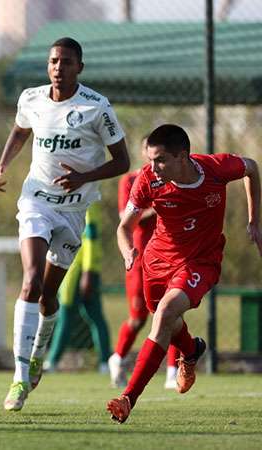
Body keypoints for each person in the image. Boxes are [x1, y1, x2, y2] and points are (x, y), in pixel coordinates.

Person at [0, 36, 129, 411]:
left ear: (79, 68)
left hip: (73, 211)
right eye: (53, 61)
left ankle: (38, 353)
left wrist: (84, 178)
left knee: (50, 297)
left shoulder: (97, 108)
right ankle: (19, 379)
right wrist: (3, 164)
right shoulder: (31, 98)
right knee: (30, 280)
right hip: (36, 201)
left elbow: (123, 161)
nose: (58, 67)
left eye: (66, 62)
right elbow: (20, 130)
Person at [107, 124, 261, 423]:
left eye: (160, 160)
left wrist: (255, 221)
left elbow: (252, 168)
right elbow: (124, 227)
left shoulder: (216, 168)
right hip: (155, 262)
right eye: (150, 160)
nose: (152, 167)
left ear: (183, 156)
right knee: (165, 319)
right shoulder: (147, 181)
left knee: (164, 313)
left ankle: (127, 398)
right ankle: (191, 351)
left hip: (200, 262)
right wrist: (128, 252)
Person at [108, 137, 179, 389]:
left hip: (168, 255)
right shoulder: (130, 181)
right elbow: (124, 219)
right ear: (144, 152)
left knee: (169, 312)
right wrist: (157, 208)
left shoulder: (173, 180)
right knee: (138, 317)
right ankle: (117, 358)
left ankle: (172, 371)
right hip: (139, 257)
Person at [43, 202, 112, 373]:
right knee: (91, 315)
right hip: (73, 268)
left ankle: (52, 362)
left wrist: (88, 272)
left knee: (68, 315)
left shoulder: (87, 201)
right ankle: (105, 362)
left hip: (79, 271)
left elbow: (90, 237)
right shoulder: (71, 200)